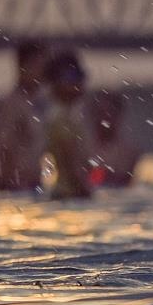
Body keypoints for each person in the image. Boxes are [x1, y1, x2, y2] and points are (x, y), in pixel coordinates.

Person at [0, 40, 49, 193]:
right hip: (16, 188)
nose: (42, 71)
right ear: (23, 67)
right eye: (37, 65)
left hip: (32, 186)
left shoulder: (39, 103)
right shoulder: (12, 105)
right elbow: (4, 148)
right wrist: (7, 185)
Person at [41, 49, 94, 200]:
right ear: (55, 84)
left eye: (80, 75)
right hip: (69, 196)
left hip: (64, 194)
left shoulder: (66, 117)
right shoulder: (61, 121)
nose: (79, 82)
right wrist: (86, 193)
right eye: (72, 77)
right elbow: (73, 167)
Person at [85, 88, 139, 189]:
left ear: (119, 115)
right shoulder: (82, 148)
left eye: (109, 113)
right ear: (92, 115)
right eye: (100, 112)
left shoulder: (129, 151)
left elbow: (122, 181)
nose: (104, 118)